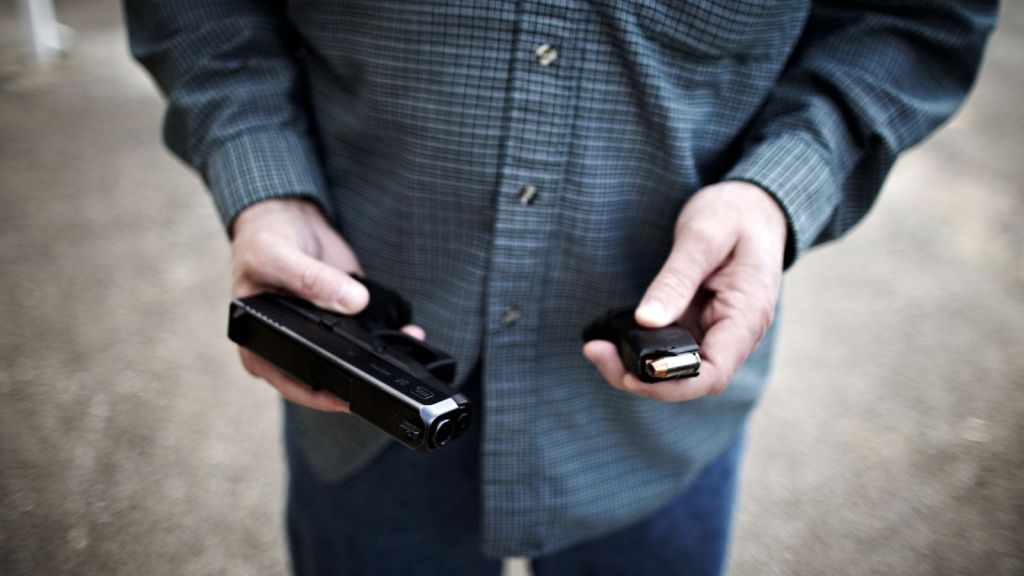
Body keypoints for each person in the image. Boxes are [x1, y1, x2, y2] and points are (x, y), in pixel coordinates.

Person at [125, 2, 996, 574]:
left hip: (648, 433)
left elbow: (915, 19)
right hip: (363, 388)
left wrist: (782, 187)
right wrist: (263, 177)